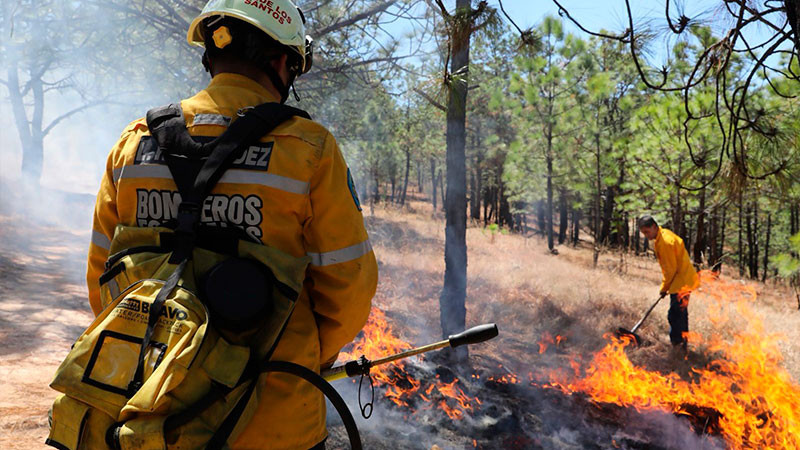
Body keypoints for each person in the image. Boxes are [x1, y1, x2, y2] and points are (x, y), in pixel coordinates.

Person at [86, 1, 378, 448]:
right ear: (283, 62)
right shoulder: (308, 148)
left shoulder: (134, 142)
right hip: (272, 418)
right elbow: (348, 284)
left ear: (211, 55)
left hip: (154, 412)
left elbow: (101, 277)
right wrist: (305, 357)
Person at [638, 215, 698, 352]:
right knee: (679, 313)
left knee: (676, 314)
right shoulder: (662, 236)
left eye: (647, 232)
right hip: (681, 280)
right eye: (643, 233)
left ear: (654, 226)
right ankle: (681, 345)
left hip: (681, 282)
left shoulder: (665, 242)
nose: (646, 236)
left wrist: (664, 288)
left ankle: (679, 345)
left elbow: (670, 270)